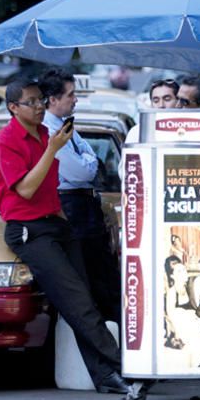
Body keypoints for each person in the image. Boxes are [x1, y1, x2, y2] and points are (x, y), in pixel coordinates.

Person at [0, 79, 130, 395]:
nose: (40, 107)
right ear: (14, 107)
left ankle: (105, 375)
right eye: (32, 102)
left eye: (41, 101)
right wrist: (53, 149)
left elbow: (51, 188)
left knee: (83, 301)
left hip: (57, 224)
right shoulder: (5, 142)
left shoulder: (43, 135)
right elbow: (25, 189)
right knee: (76, 301)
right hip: (29, 230)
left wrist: (63, 220)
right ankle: (122, 365)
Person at [40, 68, 120, 323]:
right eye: (70, 95)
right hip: (72, 206)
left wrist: (86, 160)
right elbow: (81, 172)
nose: (75, 100)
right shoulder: (49, 131)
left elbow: (90, 159)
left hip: (84, 205)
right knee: (91, 273)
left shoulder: (66, 127)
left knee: (102, 272)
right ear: (53, 99)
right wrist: (86, 161)